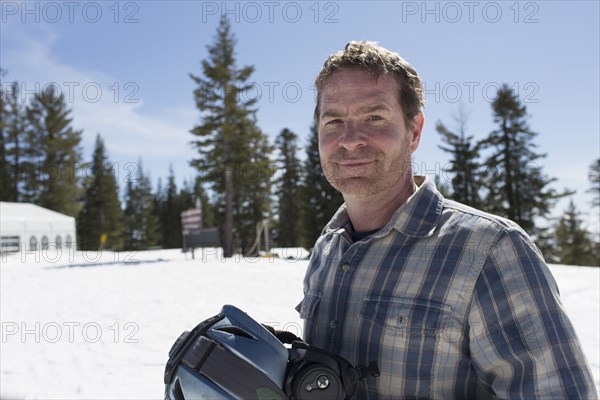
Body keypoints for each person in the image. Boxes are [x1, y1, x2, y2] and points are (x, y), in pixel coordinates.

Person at [296, 41, 598, 399]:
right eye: (334, 121)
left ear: (414, 131)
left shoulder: (490, 249)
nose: (349, 141)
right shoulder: (330, 247)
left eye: (374, 117)